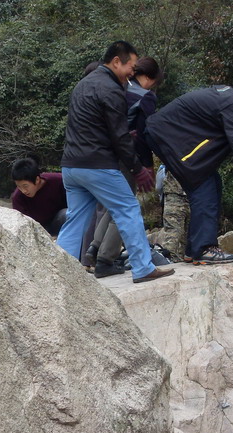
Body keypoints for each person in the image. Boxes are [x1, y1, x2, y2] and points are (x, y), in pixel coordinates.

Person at [56, 40, 174, 283]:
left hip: (71, 165)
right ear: (116, 61)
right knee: (128, 209)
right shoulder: (112, 89)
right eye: (131, 66)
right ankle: (143, 267)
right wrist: (138, 168)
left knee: (76, 218)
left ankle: (58, 276)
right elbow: (119, 136)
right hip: (97, 165)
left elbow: (89, 126)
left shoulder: (83, 84)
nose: (133, 71)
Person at [144, 81, 233, 265]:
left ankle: (194, 249)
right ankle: (203, 249)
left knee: (211, 182)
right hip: (167, 135)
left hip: (168, 135)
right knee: (203, 185)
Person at [85, 57, 165, 278]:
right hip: (127, 157)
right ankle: (105, 259)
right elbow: (143, 134)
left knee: (112, 206)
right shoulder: (145, 96)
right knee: (126, 208)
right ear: (149, 78)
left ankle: (94, 248)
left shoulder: (116, 89)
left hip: (102, 156)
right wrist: (146, 166)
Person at [11, 157, 68, 236]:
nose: (23, 191)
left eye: (25, 186)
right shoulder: (18, 198)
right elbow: (21, 225)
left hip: (58, 221)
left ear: (37, 180)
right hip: (37, 231)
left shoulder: (58, 180)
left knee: (67, 214)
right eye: (19, 186)